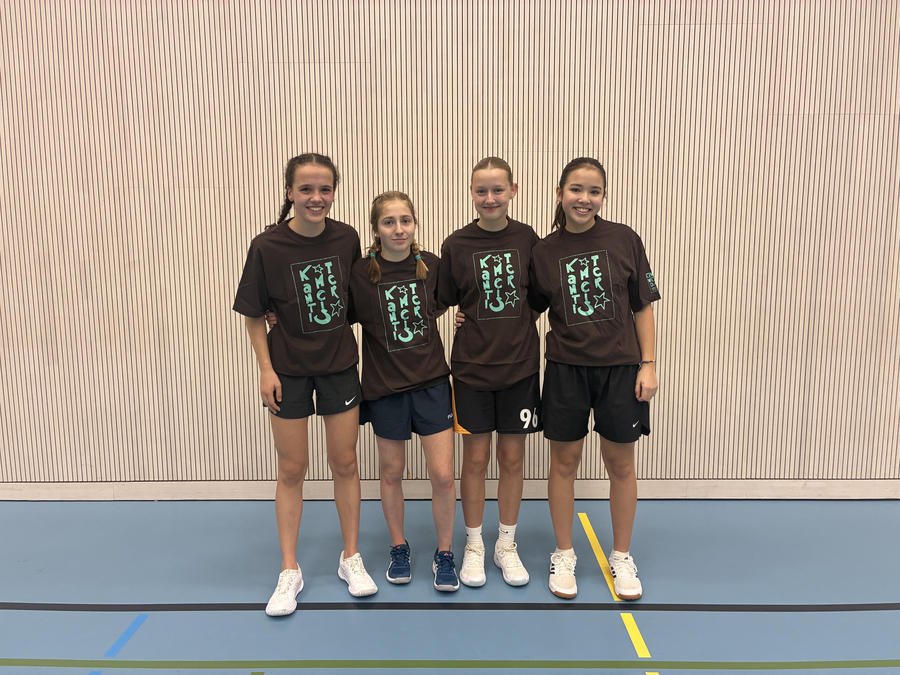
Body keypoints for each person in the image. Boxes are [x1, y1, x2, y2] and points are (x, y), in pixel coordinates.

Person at [233, 153, 377, 616]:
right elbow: (253, 314)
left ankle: (350, 557)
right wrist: (265, 368)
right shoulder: (267, 246)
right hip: (288, 370)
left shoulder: (347, 238)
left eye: (325, 189)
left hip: (338, 366)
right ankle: (289, 569)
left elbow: (360, 298)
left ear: (334, 192)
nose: (316, 197)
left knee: (345, 462)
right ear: (290, 192)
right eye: (306, 189)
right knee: (293, 468)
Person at [529, 157, 660, 600]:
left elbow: (643, 306)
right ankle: (564, 553)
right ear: (560, 193)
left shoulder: (624, 239)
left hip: (620, 371)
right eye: (576, 189)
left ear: (603, 196)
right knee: (563, 464)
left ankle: (621, 556)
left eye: (594, 191)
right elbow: (525, 310)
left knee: (620, 465)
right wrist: (467, 318)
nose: (584, 199)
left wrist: (648, 363)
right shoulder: (544, 251)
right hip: (566, 370)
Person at [437, 157, 542, 588]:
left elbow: (542, 297)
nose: (490, 198)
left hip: (520, 367)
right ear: (471, 193)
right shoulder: (456, 244)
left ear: (514, 190)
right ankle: (475, 544)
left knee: (512, 459)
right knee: (476, 460)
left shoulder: (528, 239)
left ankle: (507, 545)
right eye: (481, 190)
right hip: (471, 370)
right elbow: (440, 298)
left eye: (498, 189)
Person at [351, 191, 459, 591]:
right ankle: (399, 547)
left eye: (405, 220)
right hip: (385, 388)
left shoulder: (431, 265)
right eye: (389, 222)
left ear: (415, 224)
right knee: (392, 473)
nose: (399, 229)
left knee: (443, 476)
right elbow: (339, 316)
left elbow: (447, 302)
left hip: (432, 384)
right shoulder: (360, 273)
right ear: (376, 229)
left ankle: (445, 553)